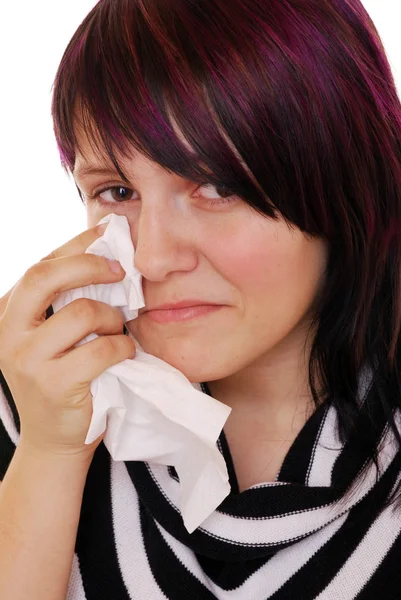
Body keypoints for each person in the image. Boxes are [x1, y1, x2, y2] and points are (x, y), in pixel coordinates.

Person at [1, 0, 401, 598]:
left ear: (343, 176)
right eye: (117, 191)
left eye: (216, 186)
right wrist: (49, 451)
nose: (155, 257)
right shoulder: (39, 384)